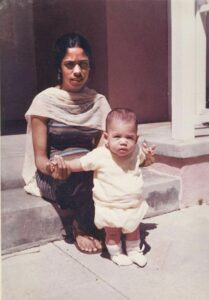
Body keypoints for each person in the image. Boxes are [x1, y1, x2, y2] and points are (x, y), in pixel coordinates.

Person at [22, 32, 111, 253]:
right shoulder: (44, 101)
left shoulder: (98, 102)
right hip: (52, 174)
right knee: (75, 174)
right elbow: (40, 159)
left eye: (83, 64)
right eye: (70, 65)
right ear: (59, 68)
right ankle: (82, 227)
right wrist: (54, 170)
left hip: (84, 169)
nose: (78, 71)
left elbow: (104, 149)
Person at [49, 108, 155, 266]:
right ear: (106, 137)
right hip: (109, 205)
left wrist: (149, 157)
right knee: (112, 233)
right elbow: (80, 164)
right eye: (117, 136)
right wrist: (64, 165)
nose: (123, 141)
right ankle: (116, 254)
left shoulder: (136, 151)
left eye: (129, 137)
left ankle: (134, 251)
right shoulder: (100, 155)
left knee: (133, 230)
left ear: (136, 138)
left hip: (132, 203)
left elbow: (144, 161)